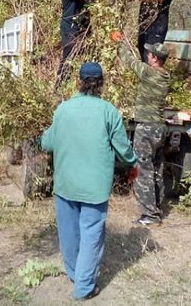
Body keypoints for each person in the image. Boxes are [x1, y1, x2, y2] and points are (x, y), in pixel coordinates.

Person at [40, 62, 137, 300]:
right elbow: (123, 149)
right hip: (94, 188)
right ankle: (83, 287)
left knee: (69, 232)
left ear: (79, 81)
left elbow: (47, 144)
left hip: (66, 185)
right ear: (101, 83)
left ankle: (75, 275)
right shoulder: (109, 111)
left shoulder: (63, 109)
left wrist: (42, 136)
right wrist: (134, 163)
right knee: (92, 233)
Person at [111, 31, 171, 226]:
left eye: (150, 54)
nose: (147, 56)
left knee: (143, 170)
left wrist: (120, 42)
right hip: (160, 128)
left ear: (154, 58)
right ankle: (157, 207)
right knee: (156, 169)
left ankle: (150, 215)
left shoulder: (148, 72)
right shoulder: (165, 76)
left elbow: (129, 61)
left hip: (146, 128)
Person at [58, 0, 121, 84]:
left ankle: (88, 85)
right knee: (69, 59)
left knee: (90, 56)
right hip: (71, 27)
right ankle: (60, 87)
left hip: (85, 26)